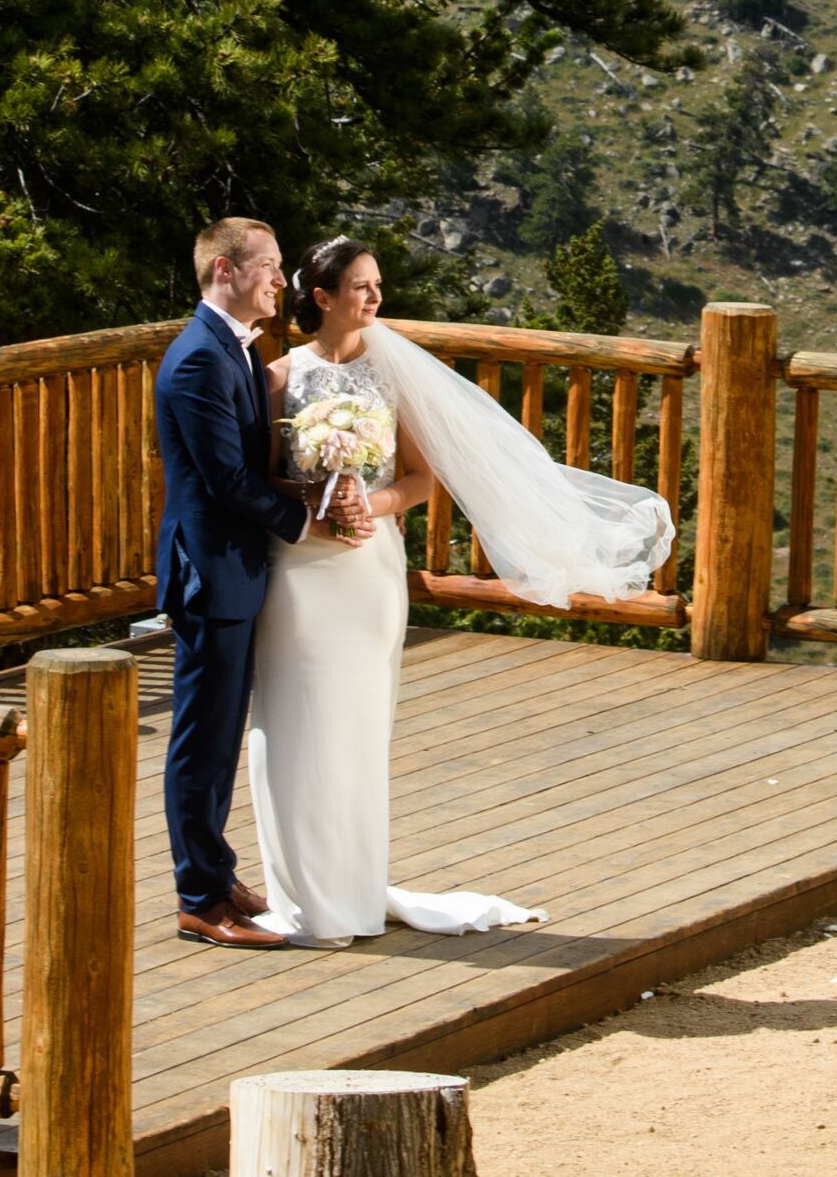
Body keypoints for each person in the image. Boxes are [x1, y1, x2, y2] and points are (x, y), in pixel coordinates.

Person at [242, 234, 678, 945]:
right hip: (299, 571)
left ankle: (351, 891)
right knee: (291, 725)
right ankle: (303, 898)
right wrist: (316, 497)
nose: (375, 297)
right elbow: (261, 477)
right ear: (320, 298)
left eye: (377, 283)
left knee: (357, 727)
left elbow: (418, 478)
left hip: (367, 568)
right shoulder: (279, 378)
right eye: (360, 286)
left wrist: (366, 504)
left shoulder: (390, 374)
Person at [153, 215, 329, 951]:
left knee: (222, 733)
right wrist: (309, 518)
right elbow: (226, 481)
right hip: (210, 570)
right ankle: (200, 897)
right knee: (202, 739)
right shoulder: (197, 359)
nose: (281, 280)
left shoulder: (237, 350)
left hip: (237, 567)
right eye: (270, 266)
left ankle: (217, 873)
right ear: (225, 270)